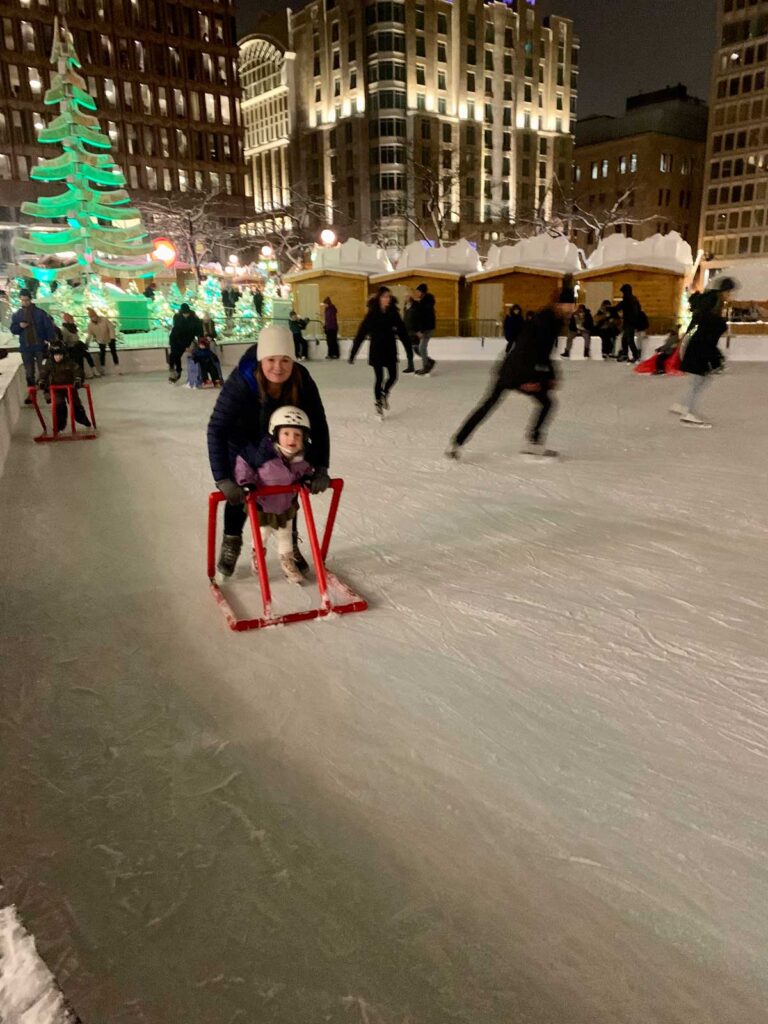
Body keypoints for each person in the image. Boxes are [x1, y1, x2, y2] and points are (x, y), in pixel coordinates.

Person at [207, 324, 331, 578]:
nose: (278, 367)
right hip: (241, 444)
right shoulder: (243, 380)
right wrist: (222, 478)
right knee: (239, 492)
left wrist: (321, 466)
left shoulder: (301, 379)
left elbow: (317, 423)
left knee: (289, 487)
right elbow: (217, 428)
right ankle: (232, 540)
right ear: (262, 359)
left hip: (281, 443)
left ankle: (291, 544)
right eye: (271, 359)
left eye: (285, 360)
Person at [447, 281, 576, 459]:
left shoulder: (553, 319)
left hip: (517, 368)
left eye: (572, 304)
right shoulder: (545, 319)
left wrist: (550, 376)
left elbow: (545, 353)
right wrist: (530, 379)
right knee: (490, 405)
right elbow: (528, 349)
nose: (572, 308)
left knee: (545, 403)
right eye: (569, 304)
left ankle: (532, 442)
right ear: (559, 304)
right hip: (516, 370)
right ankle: (457, 443)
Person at [233, 407, 314, 584]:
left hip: (286, 506)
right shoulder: (261, 453)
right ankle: (258, 557)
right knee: (262, 534)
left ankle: (287, 563)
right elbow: (243, 464)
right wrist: (246, 483)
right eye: (286, 433)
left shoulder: (302, 458)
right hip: (263, 506)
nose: (292, 439)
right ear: (275, 434)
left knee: (285, 535)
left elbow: (306, 470)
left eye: (297, 435)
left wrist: (308, 478)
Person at [670, 279, 734, 428]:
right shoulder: (712, 304)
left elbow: (701, 325)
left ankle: (683, 405)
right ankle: (688, 413)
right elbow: (709, 330)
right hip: (700, 348)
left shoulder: (709, 302)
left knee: (700, 380)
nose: (730, 295)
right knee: (701, 379)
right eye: (729, 292)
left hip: (698, 346)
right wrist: (722, 326)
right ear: (724, 291)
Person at [349, 286, 411, 417]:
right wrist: (353, 353)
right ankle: (378, 403)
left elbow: (403, 332)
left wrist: (409, 351)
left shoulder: (393, 313)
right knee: (379, 378)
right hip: (377, 350)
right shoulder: (372, 314)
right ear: (379, 298)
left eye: (389, 296)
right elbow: (361, 334)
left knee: (393, 376)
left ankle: (384, 393)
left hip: (390, 349)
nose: (387, 299)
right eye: (384, 296)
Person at [37, 340, 92, 430]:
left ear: (64, 354)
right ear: (52, 355)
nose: (58, 357)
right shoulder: (49, 363)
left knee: (75, 404)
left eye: (60, 355)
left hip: (70, 387)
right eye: (55, 355)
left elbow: (78, 371)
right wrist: (41, 380)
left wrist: (78, 379)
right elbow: (43, 372)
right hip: (56, 388)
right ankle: (59, 425)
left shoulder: (70, 362)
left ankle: (82, 419)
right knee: (59, 405)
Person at [10, 289, 57, 394]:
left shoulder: (40, 313)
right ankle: (31, 394)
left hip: (40, 346)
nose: (24, 302)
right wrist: (19, 326)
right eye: (22, 300)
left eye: (26, 300)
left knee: (44, 370)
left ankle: (47, 391)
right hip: (26, 347)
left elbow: (49, 328)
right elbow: (13, 329)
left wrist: (51, 342)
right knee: (29, 372)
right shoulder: (17, 314)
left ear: (30, 300)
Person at [168, 302, 203, 383]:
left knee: (178, 355)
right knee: (174, 355)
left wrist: (198, 339)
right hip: (175, 339)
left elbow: (198, 330)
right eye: (184, 313)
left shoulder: (194, 318)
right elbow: (176, 331)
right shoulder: (177, 317)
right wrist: (180, 344)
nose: (185, 315)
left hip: (187, 339)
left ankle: (178, 372)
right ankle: (175, 371)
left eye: (187, 313)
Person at [61, 312, 98, 379]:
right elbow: (65, 341)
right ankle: (81, 373)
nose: (73, 320)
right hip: (72, 348)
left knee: (87, 354)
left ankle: (93, 369)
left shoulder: (73, 327)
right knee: (79, 357)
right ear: (67, 320)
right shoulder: (65, 330)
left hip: (77, 345)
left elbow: (76, 337)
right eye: (71, 319)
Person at [85, 306, 121, 374]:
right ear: (90, 318)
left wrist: (112, 337)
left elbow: (111, 328)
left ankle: (117, 366)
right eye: (92, 317)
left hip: (109, 338)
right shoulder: (90, 325)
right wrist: (86, 343)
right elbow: (89, 335)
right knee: (102, 353)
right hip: (100, 340)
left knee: (113, 352)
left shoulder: (104, 320)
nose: (94, 318)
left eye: (95, 316)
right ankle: (102, 368)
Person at [613, 284, 643, 363]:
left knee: (629, 340)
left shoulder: (629, 300)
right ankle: (626, 354)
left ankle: (635, 355)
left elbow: (620, 307)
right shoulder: (631, 299)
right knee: (625, 339)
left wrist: (612, 309)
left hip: (630, 322)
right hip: (629, 322)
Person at [413, 282, 437, 375]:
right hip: (427, 328)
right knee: (419, 348)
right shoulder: (424, 302)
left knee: (422, 348)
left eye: (418, 291)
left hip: (427, 329)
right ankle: (428, 362)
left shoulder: (425, 304)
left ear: (422, 292)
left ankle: (426, 366)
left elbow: (424, 318)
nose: (417, 293)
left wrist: (421, 331)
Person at [401, 293, 419, 373]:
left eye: (407, 296)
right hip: (406, 332)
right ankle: (410, 366)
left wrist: (419, 331)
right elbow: (405, 319)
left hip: (414, 332)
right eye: (405, 296)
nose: (405, 298)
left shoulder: (415, 307)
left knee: (417, 350)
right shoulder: (405, 307)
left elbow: (419, 319)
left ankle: (428, 361)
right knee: (408, 350)